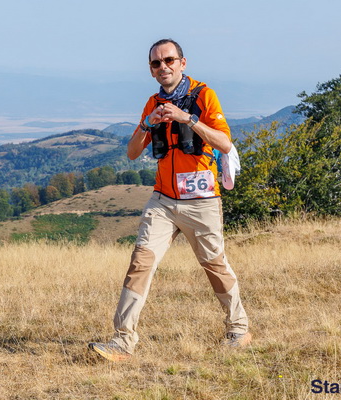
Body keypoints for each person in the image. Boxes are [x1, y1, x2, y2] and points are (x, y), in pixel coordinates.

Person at [88, 38, 250, 362]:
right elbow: (132, 153)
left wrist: (187, 118)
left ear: (182, 63)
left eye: (169, 60)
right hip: (162, 199)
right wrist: (147, 124)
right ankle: (122, 341)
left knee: (214, 264)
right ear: (151, 70)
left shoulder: (204, 95)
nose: (163, 67)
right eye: (156, 63)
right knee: (140, 263)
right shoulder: (152, 103)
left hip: (201, 199)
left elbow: (224, 143)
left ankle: (239, 329)